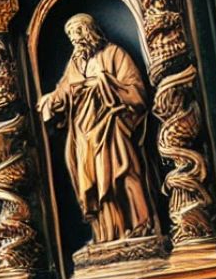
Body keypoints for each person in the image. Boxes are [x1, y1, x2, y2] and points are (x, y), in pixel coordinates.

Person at [38, 14, 155, 243]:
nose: (75, 39)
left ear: (91, 31)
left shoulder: (114, 54)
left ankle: (141, 225)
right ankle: (107, 233)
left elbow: (136, 91)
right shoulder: (76, 63)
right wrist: (52, 99)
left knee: (122, 172)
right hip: (83, 131)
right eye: (71, 35)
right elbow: (64, 90)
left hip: (112, 124)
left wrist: (104, 82)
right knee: (91, 178)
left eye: (79, 32)